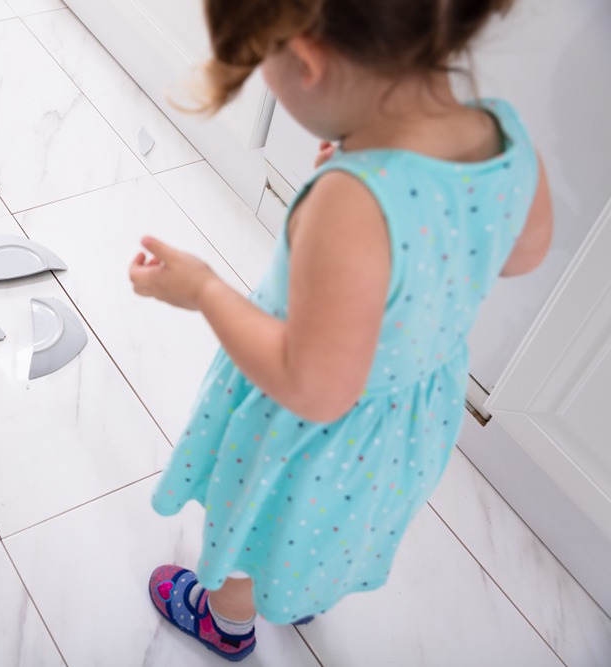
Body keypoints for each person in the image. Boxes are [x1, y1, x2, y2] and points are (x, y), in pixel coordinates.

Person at [128, 0, 554, 661]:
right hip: (405, 422)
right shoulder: (504, 133)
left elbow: (312, 387)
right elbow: (524, 250)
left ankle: (226, 621)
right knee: (330, 524)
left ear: (306, 60)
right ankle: (301, 587)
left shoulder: (353, 202)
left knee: (255, 524)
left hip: (308, 431)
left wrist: (205, 290)